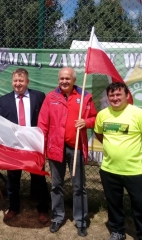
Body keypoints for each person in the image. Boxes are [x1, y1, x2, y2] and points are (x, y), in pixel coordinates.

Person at [38, 67, 97, 237]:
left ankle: (81, 221)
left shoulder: (85, 96)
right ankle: (57, 217)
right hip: (55, 148)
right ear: (59, 79)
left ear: (74, 80)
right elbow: (43, 123)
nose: (64, 81)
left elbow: (95, 118)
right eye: (62, 78)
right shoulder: (51, 97)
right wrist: (42, 148)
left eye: (67, 78)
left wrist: (86, 122)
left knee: (79, 187)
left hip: (76, 147)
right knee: (56, 185)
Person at [0, 68, 49, 224]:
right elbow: (0, 124)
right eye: (15, 81)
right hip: (14, 146)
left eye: (21, 81)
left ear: (27, 82)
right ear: (12, 82)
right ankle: (13, 208)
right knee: (13, 179)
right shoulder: (4, 100)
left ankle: (43, 209)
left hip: (33, 145)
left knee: (38, 178)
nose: (17, 84)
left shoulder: (39, 96)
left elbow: (45, 118)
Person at [94, 82, 142, 240]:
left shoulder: (138, 114)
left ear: (127, 95)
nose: (115, 98)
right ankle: (117, 231)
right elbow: (99, 134)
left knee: (140, 205)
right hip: (109, 169)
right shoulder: (102, 115)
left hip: (136, 170)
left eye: (118, 94)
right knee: (114, 204)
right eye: (111, 95)